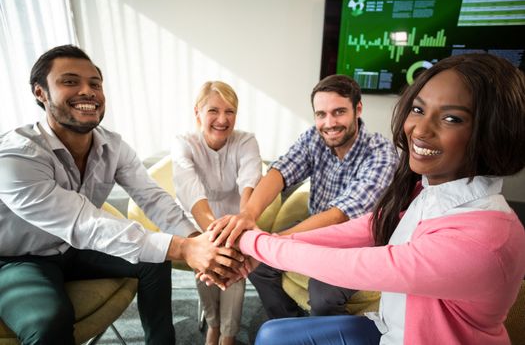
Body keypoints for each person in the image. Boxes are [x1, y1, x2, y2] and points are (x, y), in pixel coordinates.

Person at [232, 53, 525, 344]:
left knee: (319, 294)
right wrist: (261, 232)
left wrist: (254, 242)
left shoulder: (484, 240)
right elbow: (374, 224)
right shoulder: (432, 192)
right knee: (272, 333)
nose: (420, 130)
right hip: (392, 326)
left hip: (409, 333)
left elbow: (351, 244)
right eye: (419, 110)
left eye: (451, 118)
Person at [0, 45, 243, 345]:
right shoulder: (16, 156)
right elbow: (83, 222)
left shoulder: (112, 146)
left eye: (95, 84)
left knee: (154, 260)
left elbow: (152, 198)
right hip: (17, 260)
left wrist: (196, 241)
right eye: (70, 81)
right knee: (48, 324)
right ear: (41, 93)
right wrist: (184, 250)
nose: (87, 91)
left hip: (73, 249)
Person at [209, 74, 399, 318]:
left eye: (339, 112)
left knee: (323, 296)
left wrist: (271, 244)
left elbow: (340, 217)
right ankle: (291, 327)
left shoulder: (381, 154)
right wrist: (247, 214)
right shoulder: (314, 137)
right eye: (321, 114)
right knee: (260, 269)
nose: (329, 123)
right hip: (314, 227)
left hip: (356, 243)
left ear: (358, 108)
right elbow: (281, 171)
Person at [171, 81, 262, 345]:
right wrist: (214, 236)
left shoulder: (246, 140)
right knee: (207, 250)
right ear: (197, 112)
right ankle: (214, 324)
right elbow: (191, 191)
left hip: (236, 217)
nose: (223, 119)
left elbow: (250, 180)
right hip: (198, 218)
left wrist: (241, 223)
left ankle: (228, 333)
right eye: (214, 110)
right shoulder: (183, 143)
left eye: (230, 111)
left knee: (233, 248)